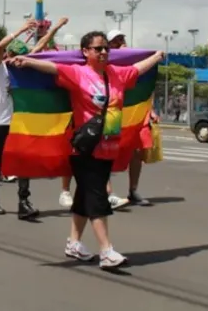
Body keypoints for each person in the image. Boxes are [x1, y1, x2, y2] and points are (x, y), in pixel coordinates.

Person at [10, 31, 162, 269]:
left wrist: (156, 56)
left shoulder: (117, 74)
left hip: (108, 146)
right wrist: (27, 61)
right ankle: (106, 250)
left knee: (84, 196)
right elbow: (53, 68)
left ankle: (74, 243)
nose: (103, 52)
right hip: (85, 148)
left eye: (105, 49)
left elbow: (138, 69)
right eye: (97, 48)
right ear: (85, 52)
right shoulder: (78, 73)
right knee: (97, 197)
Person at [0, 20, 40, 220]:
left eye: (21, 56)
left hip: (21, 123)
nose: (18, 60)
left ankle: (23, 202)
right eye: (15, 56)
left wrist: (52, 29)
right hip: (2, 124)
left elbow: (41, 50)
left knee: (24, 162)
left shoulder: (25, 71)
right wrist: (22, 29)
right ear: (8, 55)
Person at [106, 29, 156, 207]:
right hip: (111, 112)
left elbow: (146, 87)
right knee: (106, 151)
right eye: (116, 40)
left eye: (122, 39)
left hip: (133, 114)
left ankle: (133, 190)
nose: (121, 42)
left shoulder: (135, 60)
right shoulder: (105, 62)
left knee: (136, 152)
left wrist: (151, 109)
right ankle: (108, 193)